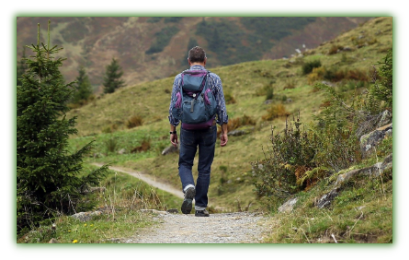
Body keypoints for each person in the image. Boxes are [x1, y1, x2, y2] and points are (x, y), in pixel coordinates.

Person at [168, 46, 228, 217]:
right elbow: (221, 107)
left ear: (189, 61)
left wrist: (173, 130)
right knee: (204, 167)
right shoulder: (213, 78)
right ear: (205, 60)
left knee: (185, 163)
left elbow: (174, 106)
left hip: (187, 128)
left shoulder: (179, 79)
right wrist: (224, 130)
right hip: (208, 128)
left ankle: (188, 186)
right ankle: (200, 207)